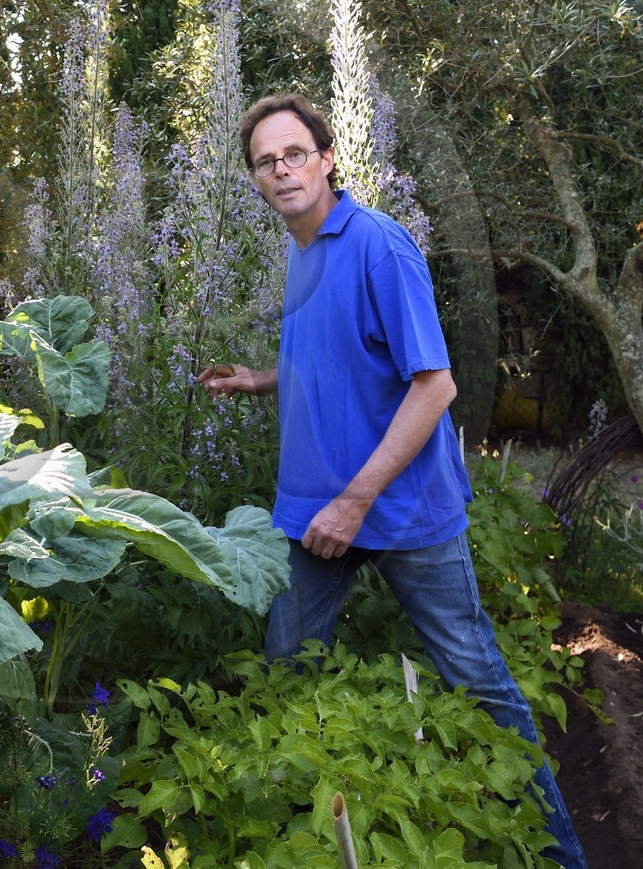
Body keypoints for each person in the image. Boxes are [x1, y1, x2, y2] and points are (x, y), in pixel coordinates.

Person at [197, 93, 586, 869]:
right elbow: (346, 355)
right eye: (266, 162)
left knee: (478, 681)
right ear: (255, 180)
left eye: (295, 153)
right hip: (317, 510)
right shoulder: (303, 249)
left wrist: (355, 500)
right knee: (284, 665)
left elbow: (433, 386)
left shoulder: (379, 244)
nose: (282, 169)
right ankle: (290, 837)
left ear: (327, 157)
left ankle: (565, 856)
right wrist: (262, 379)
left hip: (401, 509)